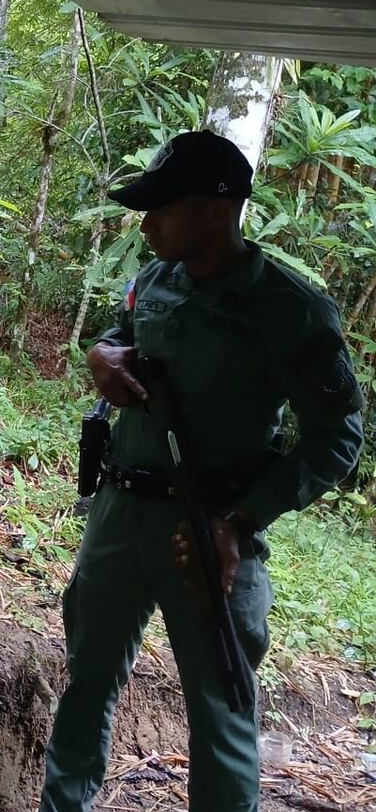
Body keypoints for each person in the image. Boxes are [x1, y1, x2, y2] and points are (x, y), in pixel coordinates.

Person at [39, 131, 365, 812]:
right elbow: (121, 334)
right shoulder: (155, 280)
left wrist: (240, 523)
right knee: (87, 684)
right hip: (119, 515)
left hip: (210, 535)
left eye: (163, 208)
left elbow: (338, 439)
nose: (146, 224)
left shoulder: (292, 311)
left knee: (221, 716)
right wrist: (103, 354)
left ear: (218, 210)